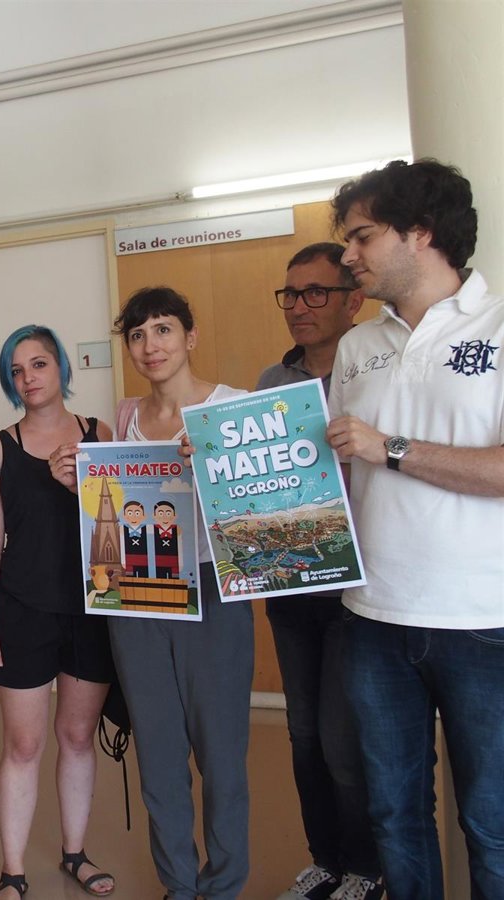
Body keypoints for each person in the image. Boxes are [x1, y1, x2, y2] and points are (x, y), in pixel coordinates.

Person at [325, 159, 504, 899]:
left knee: (493, 825)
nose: (348, 256)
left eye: (363, 236)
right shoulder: (357, 347)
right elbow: (328, 466)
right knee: (396, 817)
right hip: (373, 616)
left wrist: (391, 448)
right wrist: (222, 458)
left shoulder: (498, 328)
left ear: (421, 232)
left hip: (482, 620)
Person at [51, 286, 254, 900]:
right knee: (159, 755)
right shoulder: (126, 415)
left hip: (214, 590)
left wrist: (215, 471)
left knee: (221, 756)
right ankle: (179, 885)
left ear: (190, 336)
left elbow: (260, 514)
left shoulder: (233, 408)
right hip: (140, 594)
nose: (150, 346)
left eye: (163, 330)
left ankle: (223, 886)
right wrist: (80, 485)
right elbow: (120, 505)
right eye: (137, 335)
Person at [0, 324, 117, 900]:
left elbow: (121, 523)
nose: (27, 378)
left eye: (38, 364)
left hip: (91, 609)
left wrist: (81, 485)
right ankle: (12, 872)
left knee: (78, 736)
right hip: (22, 611)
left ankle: (74, 853)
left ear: (60, 368)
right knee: (24, 745)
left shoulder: (99, 435)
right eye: (16, 370)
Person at [258, 243, 382, 900]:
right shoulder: (271, 383)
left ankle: (365, 868)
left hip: (358, 587)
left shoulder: (375, 374)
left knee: (342, 739)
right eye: (290, 294)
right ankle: (325, 862)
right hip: (288, 582)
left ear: (352, 300)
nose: (299, 307)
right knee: (302, 733)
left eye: (315, 293)